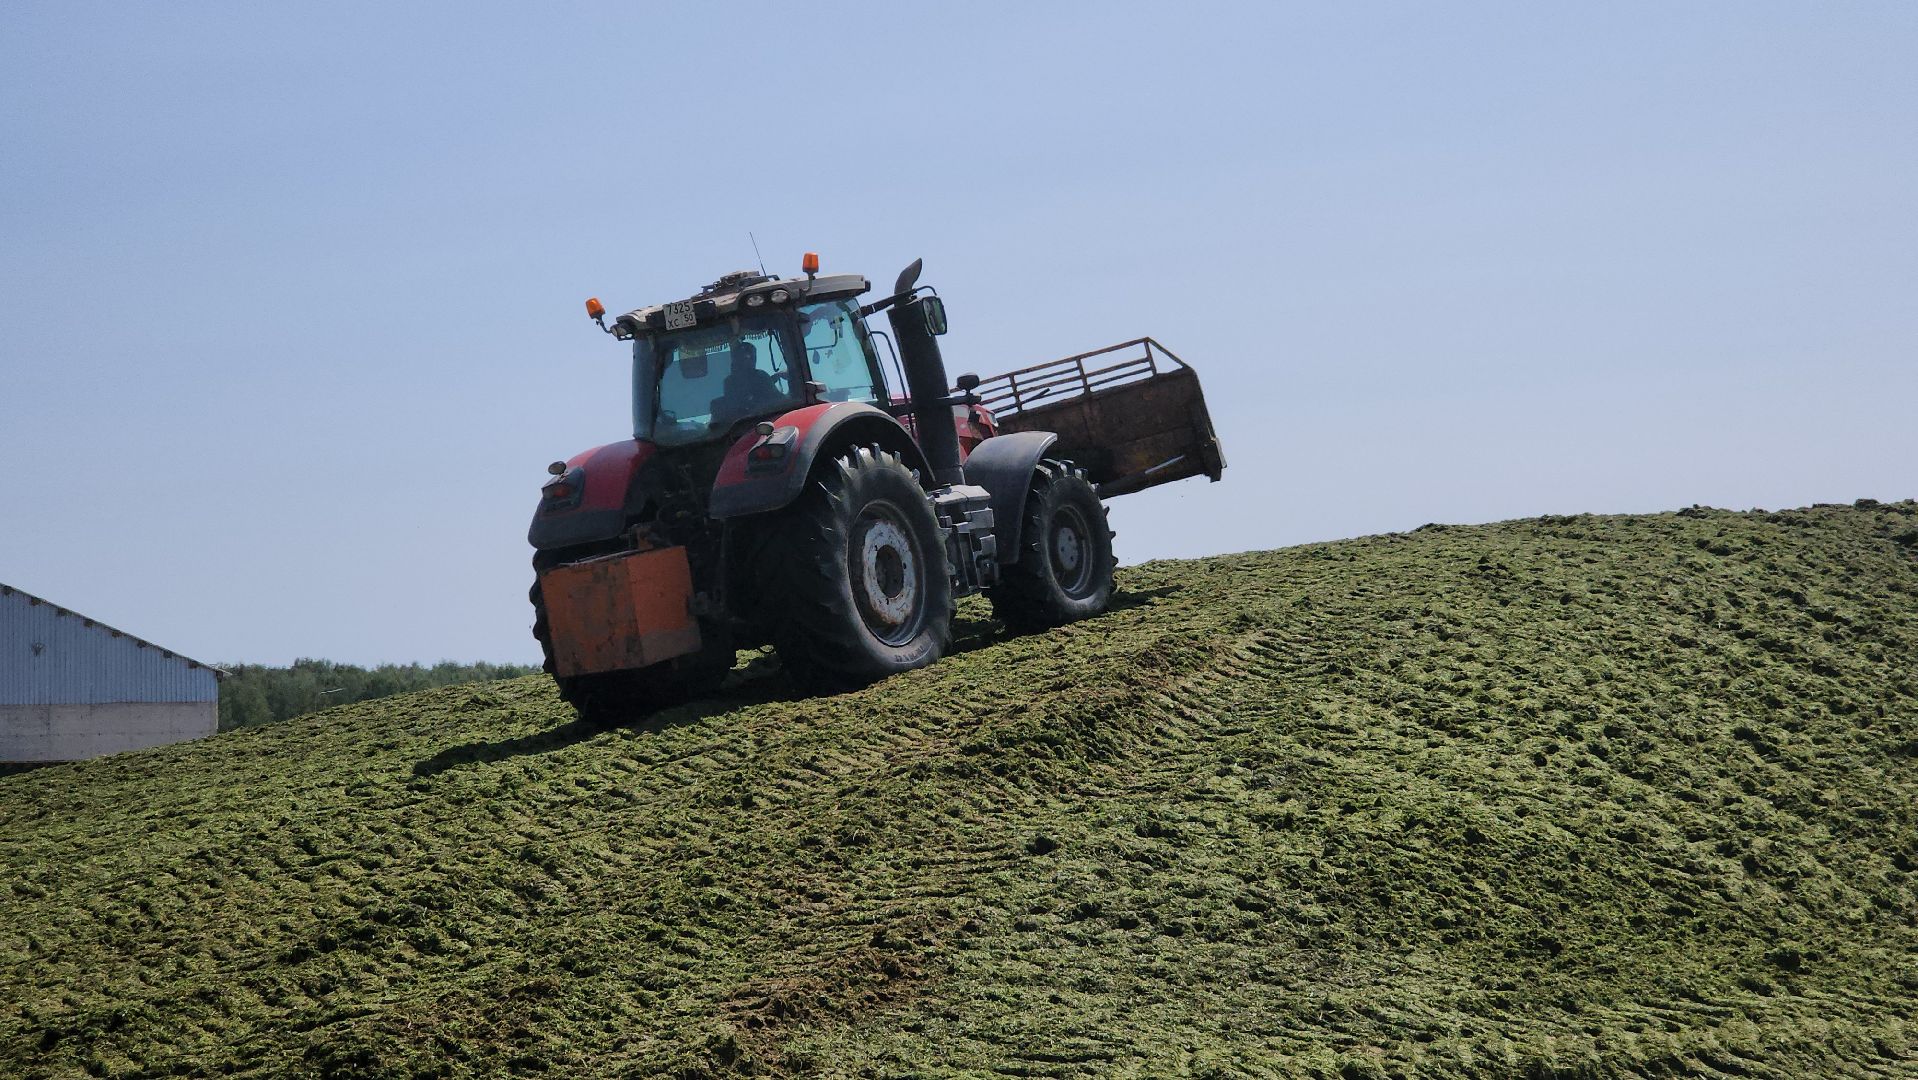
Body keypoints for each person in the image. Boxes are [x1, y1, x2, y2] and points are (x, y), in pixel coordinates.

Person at [718, 340, 787, 415]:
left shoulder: (761, 376)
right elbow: (738, 406)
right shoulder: (730, 382)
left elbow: (777, 398)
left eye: (752, 357)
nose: (749, 360)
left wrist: (778, 377)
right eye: (745, 357)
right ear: (737, 360)